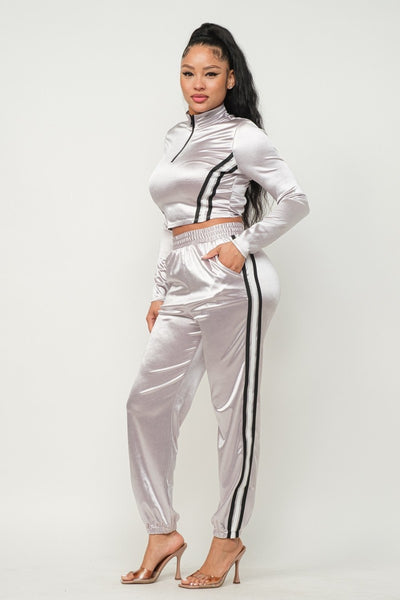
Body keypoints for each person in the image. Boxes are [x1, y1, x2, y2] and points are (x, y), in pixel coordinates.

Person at [121, 22, 310, 589]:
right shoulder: (175, 135)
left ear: (230, 78)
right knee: (145, 404)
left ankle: (228, 538)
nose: (197, 83)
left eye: (210, 73)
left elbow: (294, 199)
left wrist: (242, 246)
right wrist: (161, 290)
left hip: (232, 279)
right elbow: (170, 222)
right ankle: (162, 532)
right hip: (182, 278)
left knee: (234, 414)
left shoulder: (242, 134)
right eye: (188, 73)